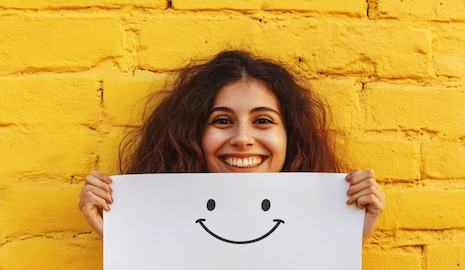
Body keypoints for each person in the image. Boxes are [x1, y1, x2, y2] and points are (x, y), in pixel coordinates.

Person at [78, 50, 385, 242]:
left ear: (291, 136)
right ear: (193, 135)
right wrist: (119, 235)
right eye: (222, 121)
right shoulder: (156, 226)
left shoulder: (324, 224)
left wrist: (352, 232)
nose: (242, 139)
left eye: (263, 121)